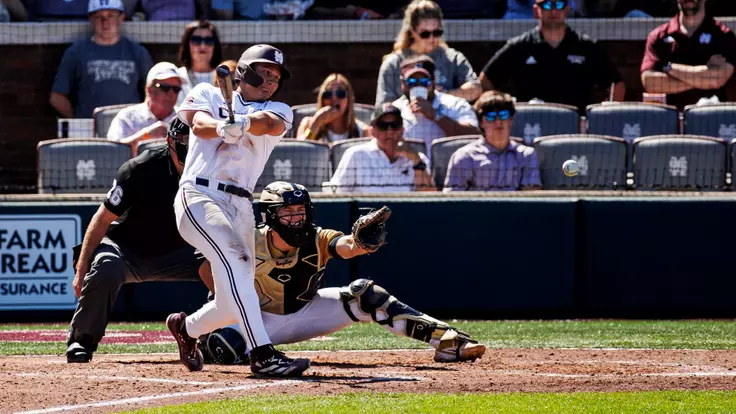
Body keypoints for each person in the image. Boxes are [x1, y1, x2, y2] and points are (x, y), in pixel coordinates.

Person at [197, 182, 487, 365]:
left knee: (367, 295)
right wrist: (228, 307)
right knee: (223, 347)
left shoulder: (317, 237)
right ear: (270, 216)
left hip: (306, 311)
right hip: (257, 320)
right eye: (288, 212)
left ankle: (449, 341)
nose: (296, 218)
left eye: (300, 211)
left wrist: (361, 242)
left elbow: (345, 246)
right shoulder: (247, 239)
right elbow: (206, 269)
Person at [168, 44, 310, 378]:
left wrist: (241, 125)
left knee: (233, 305)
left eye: (276, 77)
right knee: (240, 260)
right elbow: (198, 123)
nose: (271, 81)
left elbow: (268, 124)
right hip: (199, 194)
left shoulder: (280, 108)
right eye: (265, 72)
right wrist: (221, 128)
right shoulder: (207, 91)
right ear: (244, 72)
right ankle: (262, 355)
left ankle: (186, 329)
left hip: (242, 204)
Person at [66, 119, 204, 363]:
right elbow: (102, 218)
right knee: (107, 264)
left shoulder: (212, 170)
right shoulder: (141, 168)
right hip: (129, 249)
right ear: (170, 142)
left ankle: (221, 338)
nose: (191, 147)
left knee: (224, 266)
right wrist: (81, 267)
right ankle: (82, 338)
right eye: (185, 142)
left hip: (183, 252)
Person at [480, 0, 625, 112]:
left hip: (575, 128)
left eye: (560, 4)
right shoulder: (520, 46)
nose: (554, 10)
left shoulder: (586, 47)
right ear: (536, 10)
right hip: (531, 125)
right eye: (547, 4)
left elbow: (617, 85)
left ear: (568, 9)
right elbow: (485, 81)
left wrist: (599, 119)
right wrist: (504, 110)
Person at [49, 0, 153, 118]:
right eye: (99, 17)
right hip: (91, 130)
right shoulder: (76, 52)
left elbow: (153, 93)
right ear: (91, 19)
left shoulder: (137, 52)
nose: (105, 22)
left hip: (128, 129)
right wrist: (79, 121)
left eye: (111, 16)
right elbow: (56, 97)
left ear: (121, 18)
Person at [375, 0, 482, 107]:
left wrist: (438, 97)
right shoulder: (392, 63)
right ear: (412, 32)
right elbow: (384, 106)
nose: (432, 38)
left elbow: (476, 88)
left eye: (437, 32)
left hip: (446, 120)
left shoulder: (453, 58)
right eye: (425, 34)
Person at [640, 0, 736, 109]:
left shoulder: (723, 36)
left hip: (710, 118)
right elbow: (650, 83)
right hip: (669, 120)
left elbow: (718, 79)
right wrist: (705, 80)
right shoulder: (658, 37)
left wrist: (670, 68)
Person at [444, 91, 541, 192]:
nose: (498, 121)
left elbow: (531, 200)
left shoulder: (527, 155)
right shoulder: (464, 157)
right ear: (481, 123)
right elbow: (453, 202)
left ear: (511, 120)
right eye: (491, 116)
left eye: (503, 115)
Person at [391, 55, 479, 163]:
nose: (418, 86)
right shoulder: (394, 110)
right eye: (411, 82)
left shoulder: (455, 104)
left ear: (433, 81)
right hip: (410, 174)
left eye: (424, 82)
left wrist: (436, 116)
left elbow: (474, 135)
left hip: (449, 173)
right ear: (402, 83)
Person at [330, 103, 434, 193]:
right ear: (373, 131)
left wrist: (417, 162)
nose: (389, 131)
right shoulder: (356, 154)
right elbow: (338, 194)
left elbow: (430, 201)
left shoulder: (419, 158)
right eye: (382, 126)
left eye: (395, 125)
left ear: (402, 130)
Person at [107, 62, 186, 153]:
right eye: (165, 87)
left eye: (176, 89)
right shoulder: (127, 117)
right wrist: (146, 135)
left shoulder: (184, 119)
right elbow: (112, 152)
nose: (171, 93)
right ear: (149, 90)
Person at [296, 73, 368, 143]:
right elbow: (300, 151)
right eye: (328, 94)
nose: (334, 98)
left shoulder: (362, 131)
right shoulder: (307, 123)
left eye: (340, 93)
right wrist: (316, 124)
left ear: (348, 99)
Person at [176, 20, 223, 105]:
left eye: (208, 41)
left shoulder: (224, 77)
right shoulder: (176, 77)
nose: (203, 46)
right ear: (187, 44)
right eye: (196, 40)